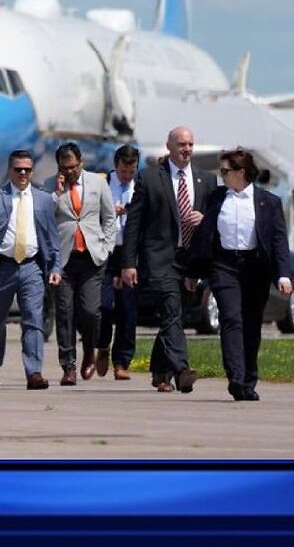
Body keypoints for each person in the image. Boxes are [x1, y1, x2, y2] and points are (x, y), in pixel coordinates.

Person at [189, 148, 292, 401]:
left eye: (225, 171)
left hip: (255, 267)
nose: (222, 176)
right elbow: (204, 237)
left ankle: (249, 379)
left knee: (251, 324)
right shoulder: (216, 198)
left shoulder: (269, 202)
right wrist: (192, 272)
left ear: (241, 172)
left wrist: (283, 275)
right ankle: (235, 378)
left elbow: (279, 241)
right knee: (231, 319)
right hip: (224, 266)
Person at [120, 126, 215, 394]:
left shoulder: (206, 180)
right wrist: (128, 263)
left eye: (190, 145)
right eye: (182, 144)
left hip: (191, 259)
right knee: (172, 310)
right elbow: (134, 224)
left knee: (174, 316)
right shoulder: (149, 178)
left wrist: (204, 219)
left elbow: (216, 219)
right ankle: (181, 369)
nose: (187, 149)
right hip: (160, 258)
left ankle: (160, 372)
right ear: (169, 146)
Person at [0, 150, 62, 389]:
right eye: (18, 169)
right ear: (10, 170)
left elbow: (51, 238)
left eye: (27, 169)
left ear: (32, 171)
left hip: (32, 267)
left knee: (34, 319)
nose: (23, 173)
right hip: (1, 267)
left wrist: (55, 266)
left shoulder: (43, 199)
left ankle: (34, 372)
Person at [47, 143, 116, 386]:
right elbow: (45, 218)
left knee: (90, 311)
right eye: (65, 168)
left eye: (73, 167)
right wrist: (56, 194)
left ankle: (89, 348)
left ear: (81, 163)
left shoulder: (98, 183)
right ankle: (68, 366)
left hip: (91, 257)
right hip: (63, 260)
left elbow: (109, 217)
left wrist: (107, 247)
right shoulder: (51, 186)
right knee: (64, 313)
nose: (70, 172)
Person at [97, 144, 140, 381]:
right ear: (116, 166)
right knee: (103, 306)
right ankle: (102, 344)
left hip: (129, 253)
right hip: (105, 251)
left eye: (131, 171)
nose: (127, 176)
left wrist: (130, 210)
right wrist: (109, 211)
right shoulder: (102, 183)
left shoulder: (140, 186)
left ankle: (122, 361)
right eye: (124, 171)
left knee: (127, 309)